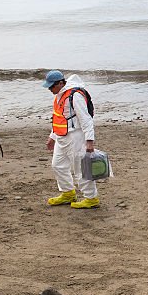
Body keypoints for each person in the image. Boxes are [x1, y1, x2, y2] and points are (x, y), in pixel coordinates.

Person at [44, 70, 99, 208]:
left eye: (51, 86)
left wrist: (89, 141)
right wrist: (52, 136)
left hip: (76, 136)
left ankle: (91, 198)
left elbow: (86, 119)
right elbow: (60, 118)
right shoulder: (59, 96)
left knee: (81, 168)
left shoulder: (75, 95)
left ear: (61, 83)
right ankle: (68, 193)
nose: (50, 89)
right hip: (62, 136)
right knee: (57, 165)